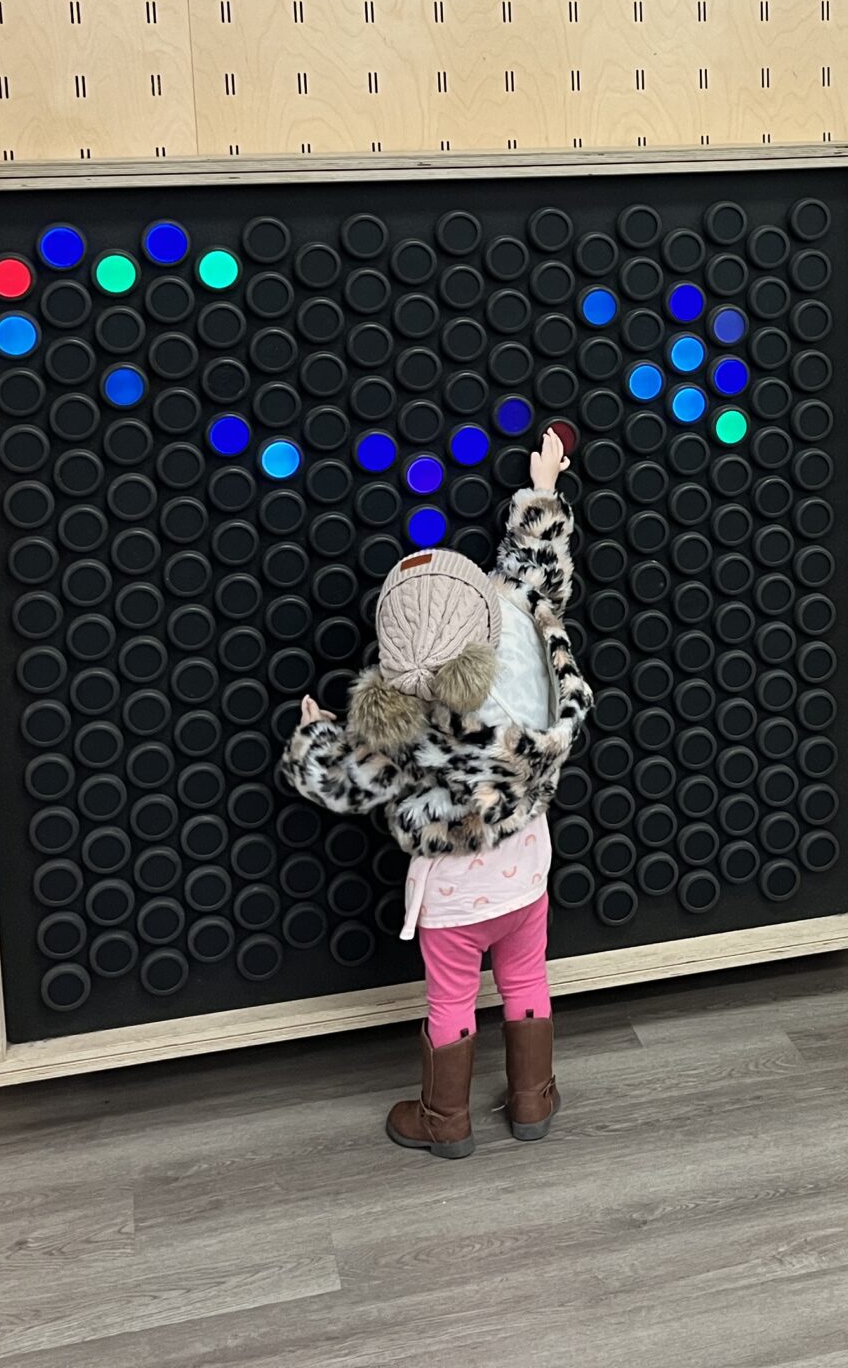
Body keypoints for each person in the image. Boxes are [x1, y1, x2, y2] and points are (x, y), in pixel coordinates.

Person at [280, 425, 589, 1159]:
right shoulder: (525, 648)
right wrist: (542, 493)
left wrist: (317, 734)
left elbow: (343, 782)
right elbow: (532, 573)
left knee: (451, 1001)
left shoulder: (401, 725)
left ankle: (445, 1120)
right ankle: (532, 1100)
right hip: (526, 872)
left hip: (452, 897)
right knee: (526, 979)